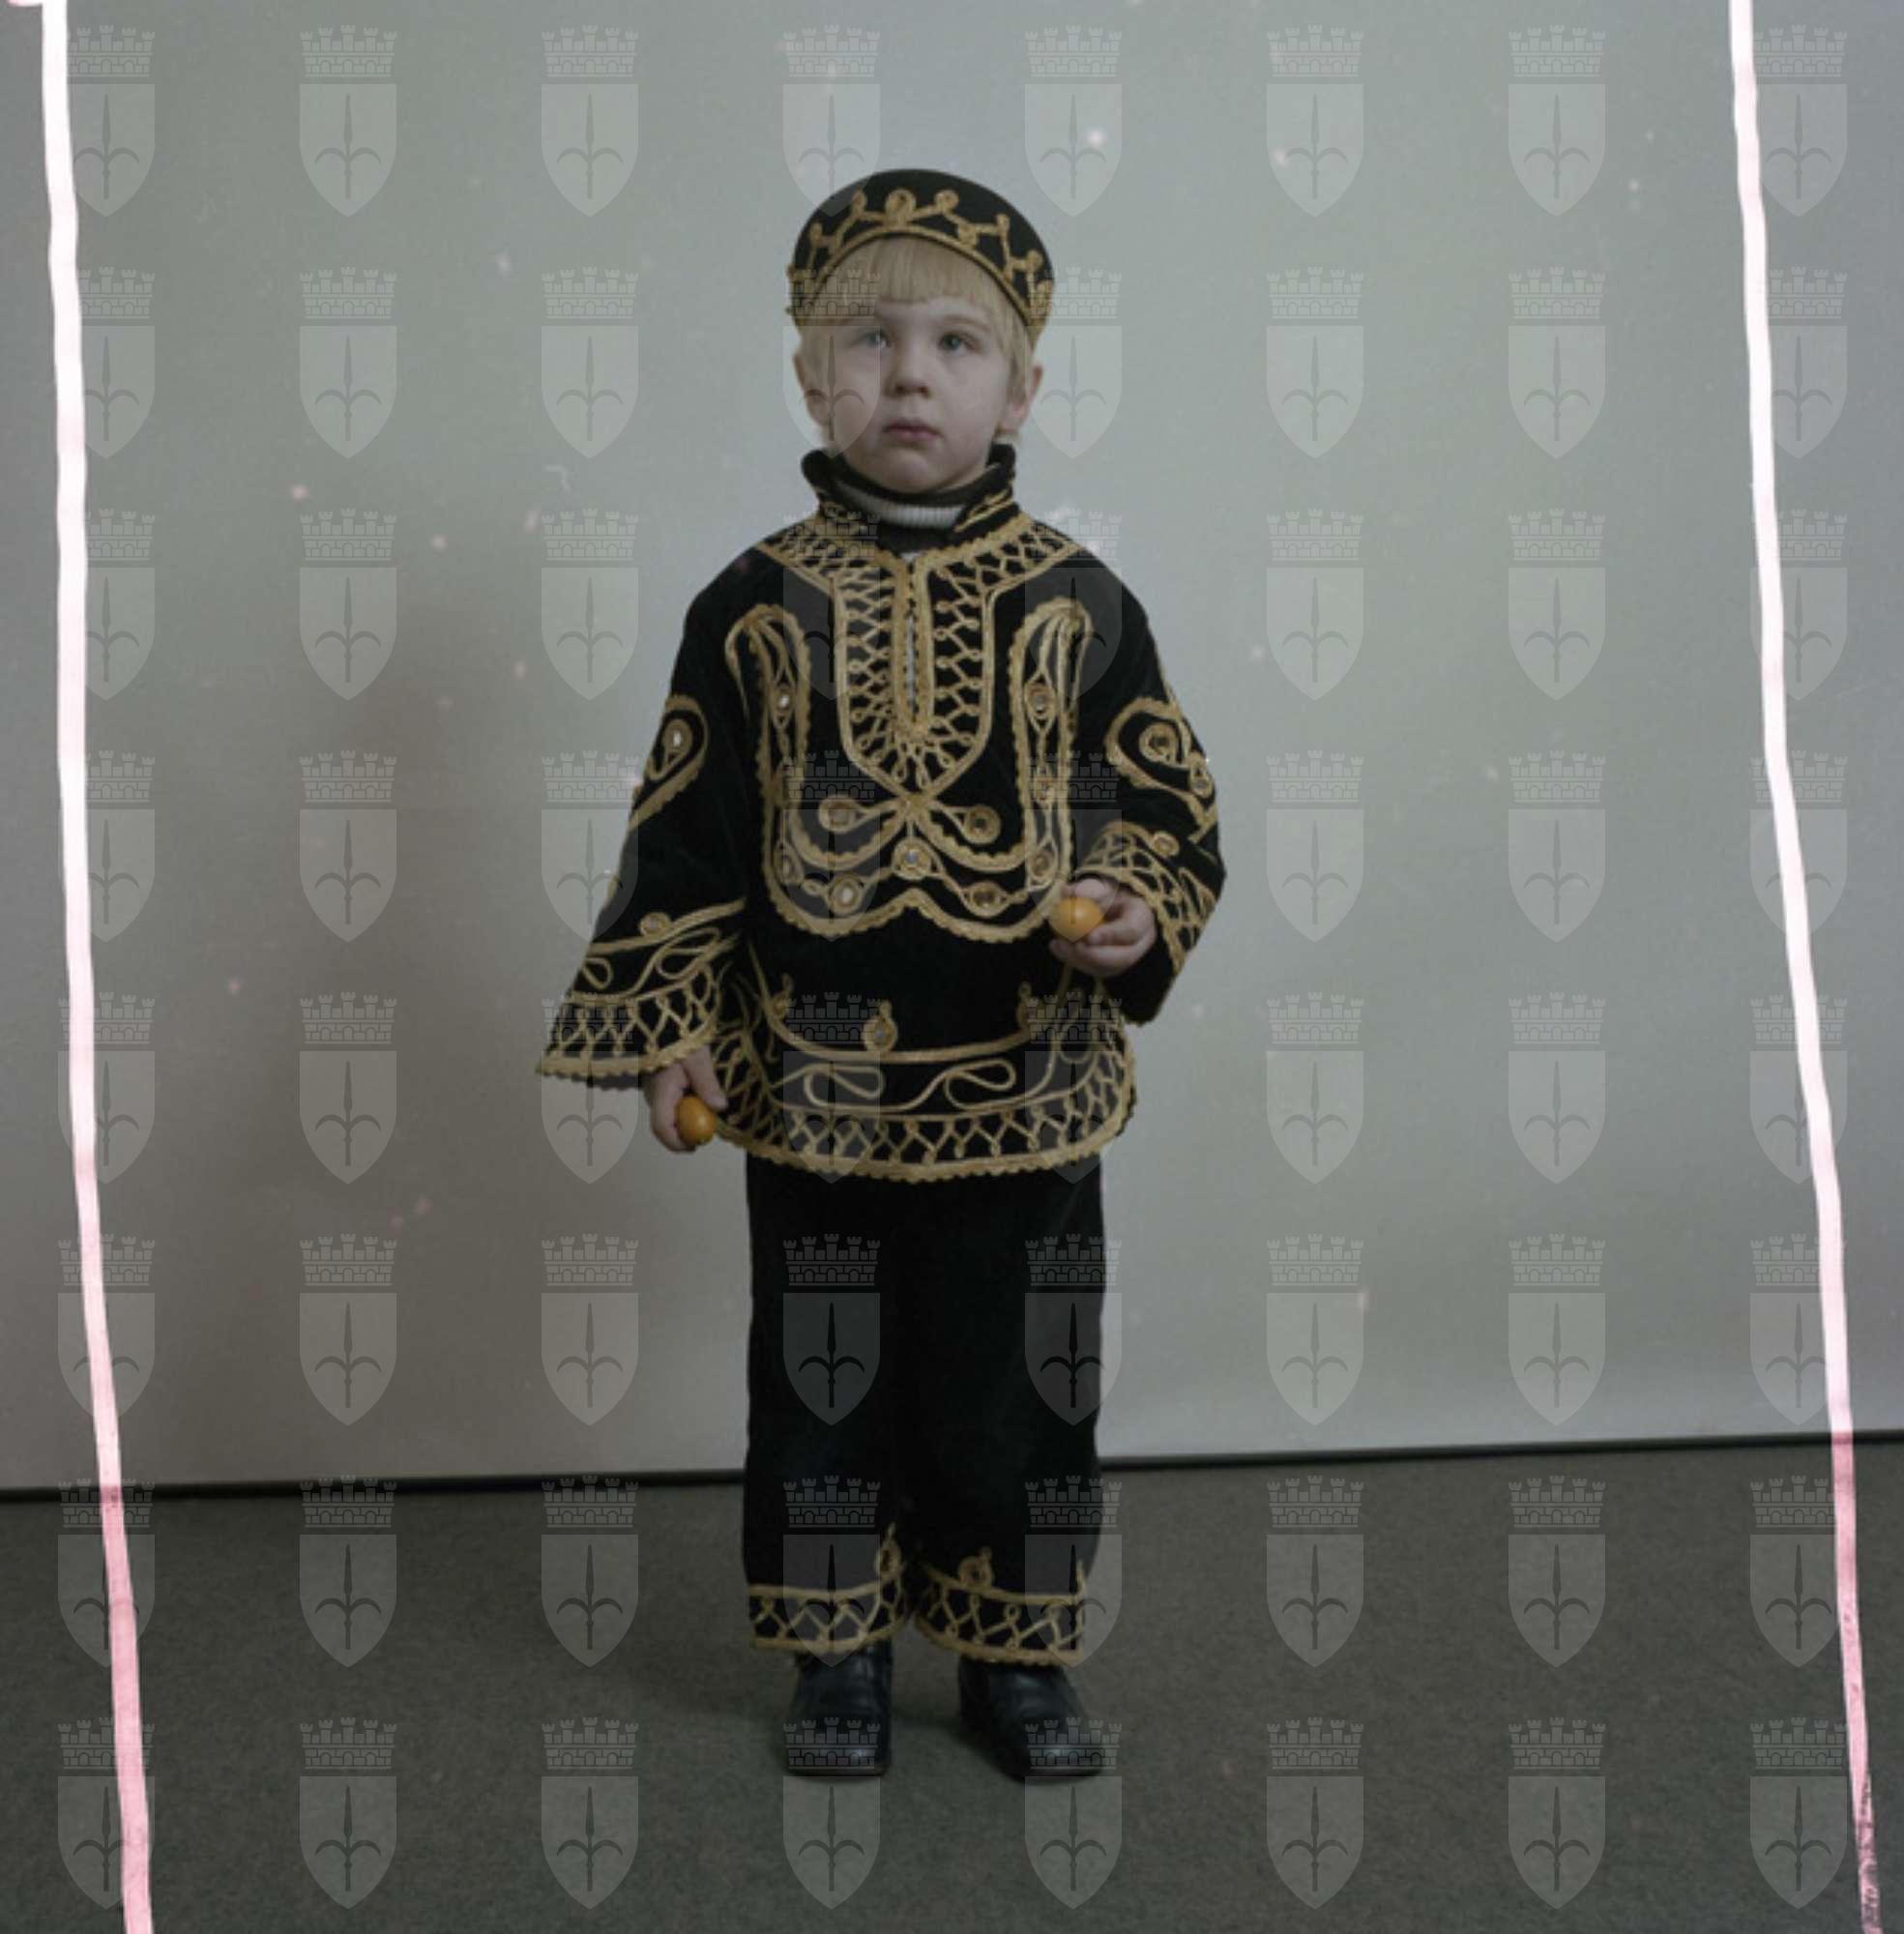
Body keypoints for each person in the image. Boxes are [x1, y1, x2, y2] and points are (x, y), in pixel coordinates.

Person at [536, 168, 1225, 1780]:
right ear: (808, 377)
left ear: (1020, 391)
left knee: (1021, 1382)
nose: (910, 376)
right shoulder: (750, 604)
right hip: (813, 1083)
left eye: (955, 346)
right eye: (868, 342)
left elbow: (1158, 798)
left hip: (1028, 1081)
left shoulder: (1083, 603)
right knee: (821, 1372)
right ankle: (833, 1649)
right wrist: (668, 1025)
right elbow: (688, 831)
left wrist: (1137, 905)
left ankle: (1015, 1656)